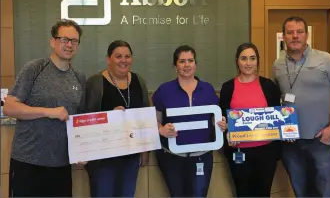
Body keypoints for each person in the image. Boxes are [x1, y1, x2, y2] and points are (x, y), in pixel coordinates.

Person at [4, 19, 86, 197]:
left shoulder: (79, 77)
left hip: (61, 164)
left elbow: (78, 120)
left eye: (74, 41)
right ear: (53, 42)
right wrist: (49, 112)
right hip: (29, 161)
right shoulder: (35, 68)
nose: (69, 44)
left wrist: (82, 149)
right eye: (64, 39)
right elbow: (9, 107)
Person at [272, 16, 330, 197]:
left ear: (307, 35)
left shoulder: (326, 60)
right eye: (290, 32)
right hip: (290, 144)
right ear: (283, 37)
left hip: (320, 141)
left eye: (299, 32)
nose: (295, 36)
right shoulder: (277, 65)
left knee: (326, 193)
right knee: (301, 193)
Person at [152, 45, 227, 197]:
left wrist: (221, 123)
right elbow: (153, 119)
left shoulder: (207, 89)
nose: (187, 65)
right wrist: (160, 129)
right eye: (182, 61)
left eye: (190, 61)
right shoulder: (164, 90)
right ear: (175, 66)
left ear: (196, 64)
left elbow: (215, 118)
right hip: (172, 157)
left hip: (202, 156)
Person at [83, 40, 150, 198]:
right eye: (118, 56)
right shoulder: (95, 83)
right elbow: (85, 117)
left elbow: (146, 115)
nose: (123, 60)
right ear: (108, 59)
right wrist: (109, 116)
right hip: (103, 158)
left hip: (131, 155)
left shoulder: (138, 81)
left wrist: (145, 149)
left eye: (127, 56)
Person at [219, 42, 282, 197]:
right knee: (243, 193)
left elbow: (278, 117)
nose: (248, 63)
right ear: (237, 61)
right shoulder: (228, 87)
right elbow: (223, 119)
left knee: (263, 193)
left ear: (257, 61)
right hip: (239, 151)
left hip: (266, 152)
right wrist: (226, 130)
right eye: (244, 58)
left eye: (252, 58)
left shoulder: (269, 86)